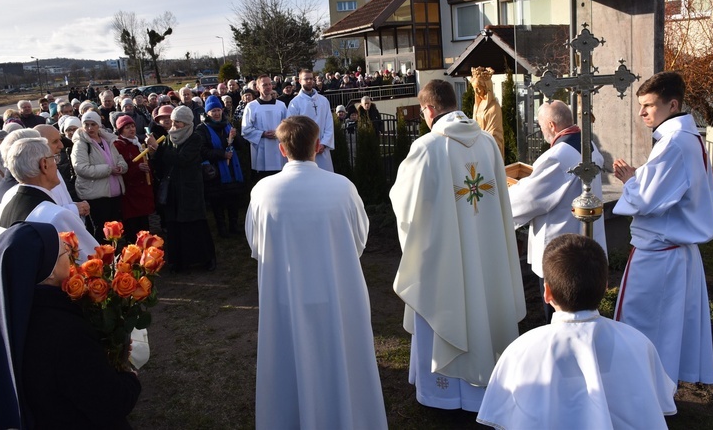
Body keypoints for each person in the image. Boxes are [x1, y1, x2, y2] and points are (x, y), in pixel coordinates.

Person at [390, 79, 526, 411]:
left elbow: (406, 208)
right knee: (485, 305)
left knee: (444, 306)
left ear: (429, 109)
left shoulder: (426, 147)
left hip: (444, 258)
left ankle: (445, 394)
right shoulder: (487, 143)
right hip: (486, 251)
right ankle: (483, 391)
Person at [246, 116, 387, 430]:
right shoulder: (342, 187)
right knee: (342, 363)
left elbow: (256, 246)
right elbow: (359, 240)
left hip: (285, 297)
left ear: (281, 150)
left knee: (290, 366)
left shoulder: (263, 192)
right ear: (318, 145)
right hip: (337, 292)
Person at [476, 233, 677, 429]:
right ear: (606, 287)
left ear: (547, 292)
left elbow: (505, 414)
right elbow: (657, 402)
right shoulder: (638, 343)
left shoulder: (521, 350)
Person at [612, 71, 713, 385]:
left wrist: (631, 181)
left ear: (672, 105)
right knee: (668, 330)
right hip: (675, 252)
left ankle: (642, 394)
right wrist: (639, 180)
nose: (642, 112)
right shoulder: (688, 138)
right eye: (641, 105)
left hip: (660, 255)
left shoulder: (673, 143)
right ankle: (659, 390)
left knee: (642, 326)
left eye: (649, 106)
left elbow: (645, 199)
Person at [0, 221, 141, 429]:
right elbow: (110, 402)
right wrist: (128, 378)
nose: (70, 257)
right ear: (48, 271)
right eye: (64, 252)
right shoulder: (65, 332)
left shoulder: (9, 320)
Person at [509, 100, 607, 323]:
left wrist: (503, 197)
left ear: (552, 125)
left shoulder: (557, 156)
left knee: (559, 310)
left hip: (560, 249)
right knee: (583, 305)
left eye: (541, 124)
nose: (540, 129)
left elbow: (531, 198)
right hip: (584, 239)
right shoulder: (586, 144)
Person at [0, 136, 98, 258]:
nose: (56, 165)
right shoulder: (56, 216)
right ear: (44, 165)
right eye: (54, 159)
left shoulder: (9, 199)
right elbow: (92, 259)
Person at [151, 106, 216, 272]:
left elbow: (183, 160)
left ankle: (205, 259)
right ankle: (179, 261)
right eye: (173, 121)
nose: (173, 125)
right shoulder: (168, 138)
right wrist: (154, 153)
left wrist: (160, 150)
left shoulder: (195, 138)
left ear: (186, 122)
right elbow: (162, 163)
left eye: (177, 122)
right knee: (175, 226)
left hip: (190, 189)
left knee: (195, 224)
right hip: (173, 189)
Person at [71, 111, 127, 242]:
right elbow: (81, 168)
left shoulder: (107, 140)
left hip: (113, 193)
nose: (90, 128)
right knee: (101, 230)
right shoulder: (81, 144)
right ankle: (100, 258)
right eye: (86, 124)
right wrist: (108, 169)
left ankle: (114, 256)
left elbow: (118, 158)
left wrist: (121, 166)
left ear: (99, 126)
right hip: (96, 195)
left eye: (93, 124)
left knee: (114, 229)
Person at [196, 95, 245, 238]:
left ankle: (234, 226)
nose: (216, 114)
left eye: (218, 110)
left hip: (232, 171)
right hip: (216, 171)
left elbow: (240, 147)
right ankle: (222, 228)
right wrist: (221, 154)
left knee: (233, 200)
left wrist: (236, 138)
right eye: (213, 111)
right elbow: (202, 151)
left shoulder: (228, 125)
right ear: (207, 113)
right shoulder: (202, 129)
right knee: (218, 202)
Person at [114, 115, 155, 237]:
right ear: (121, 130)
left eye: (132, 126)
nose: (132, 129)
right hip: (130, 193)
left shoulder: (137, 143)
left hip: (142, 191)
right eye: (127, 127)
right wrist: (136, 169)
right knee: (133, 227)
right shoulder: (118, 145)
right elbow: (121, 167)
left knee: (144, 225)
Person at [287, 69, 334, 171]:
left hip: (322, 148)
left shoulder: (323, 100)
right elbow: (292, 128)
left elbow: (329, 123)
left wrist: (324, 143)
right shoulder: (295, 103)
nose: (309, 81)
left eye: (311, 78)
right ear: (299, 81)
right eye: (306, 79)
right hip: (304, 151)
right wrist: (308, 147)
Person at [242, 75, 287, 180]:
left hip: (279, 150)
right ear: (257, 88)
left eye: (270, 84)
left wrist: (279, 133)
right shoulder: (251, 106)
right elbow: (246, 129)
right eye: (264, 85)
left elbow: (288, 125)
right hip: (261, 151)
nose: (268, 87)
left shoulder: (281, 105)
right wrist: (262, 134)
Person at [470, 66, 504, 157]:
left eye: (479, 88)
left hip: (489, 149)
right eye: (475, 89)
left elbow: (495, 134)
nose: (476, 92)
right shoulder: (476, 106)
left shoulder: (494, 108)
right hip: (477, 147)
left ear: (486, 87)